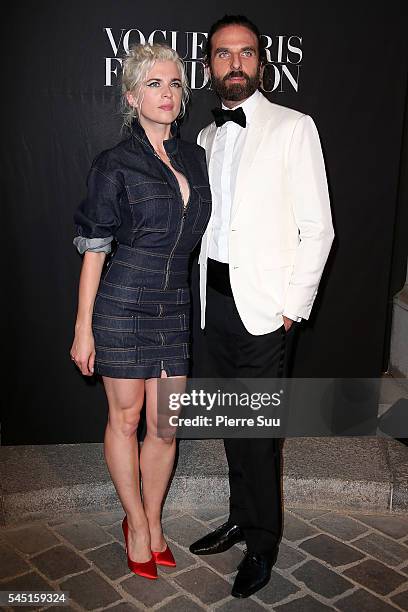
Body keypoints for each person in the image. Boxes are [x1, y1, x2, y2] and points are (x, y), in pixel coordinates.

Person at [189, 15, 334, 598]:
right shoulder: (206, 136)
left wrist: (292, 307)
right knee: (232, 424)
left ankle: (263, 542)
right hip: (215, 304)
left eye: (245, 53)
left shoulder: (295, 127)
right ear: (210, 67)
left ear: (261, 62)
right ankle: (238, 515)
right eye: (224, 55)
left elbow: (318, 228)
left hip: (265, 310)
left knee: (258, 433)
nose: (235, 64)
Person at [70, 43, 211, 580]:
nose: (167, 93)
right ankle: (135, 523)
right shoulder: (114, 163)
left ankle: (153, 518)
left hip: (174, 304)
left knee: (166, 426)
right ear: (132, 96)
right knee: (125, 420)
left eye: (174, 83)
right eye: (154, 84)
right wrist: (84, 327)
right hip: (123, 304)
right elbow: (95, 246)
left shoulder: (196, 156)